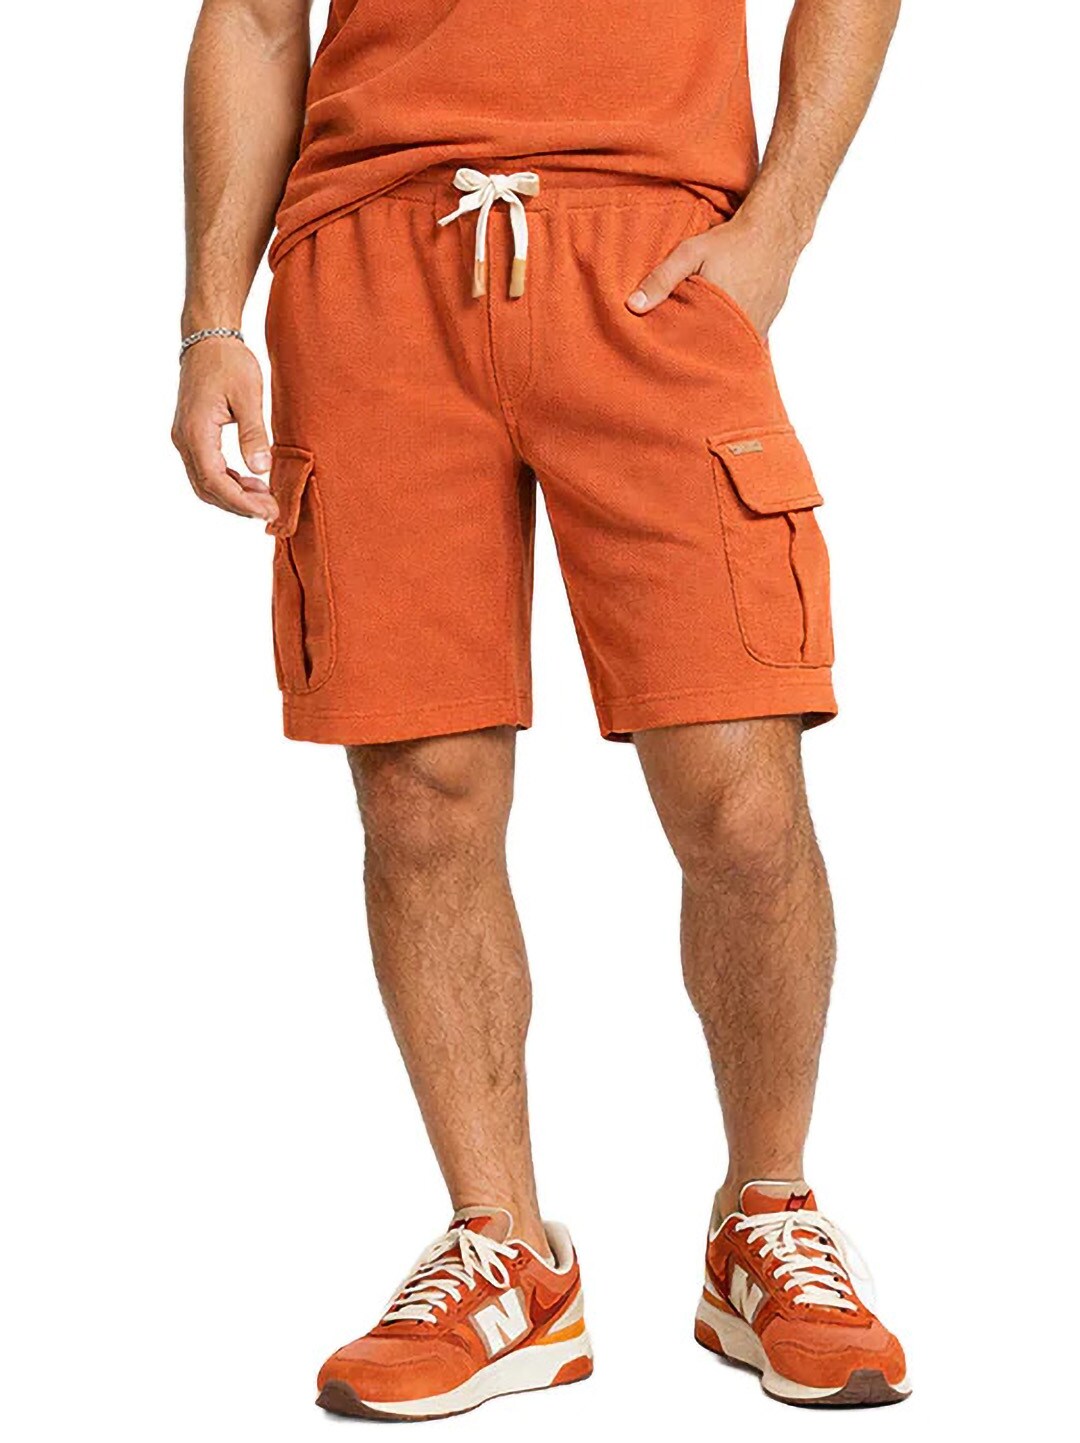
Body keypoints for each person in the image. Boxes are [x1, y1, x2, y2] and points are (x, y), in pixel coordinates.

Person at [172, 0, 909, 1416]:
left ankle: (768, 1215)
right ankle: (503, 1250)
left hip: (650, 255)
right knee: (421, 792)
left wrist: (782, 225)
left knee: (738, 785)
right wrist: (212, 315)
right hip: (372, 260)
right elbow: (256, 19)